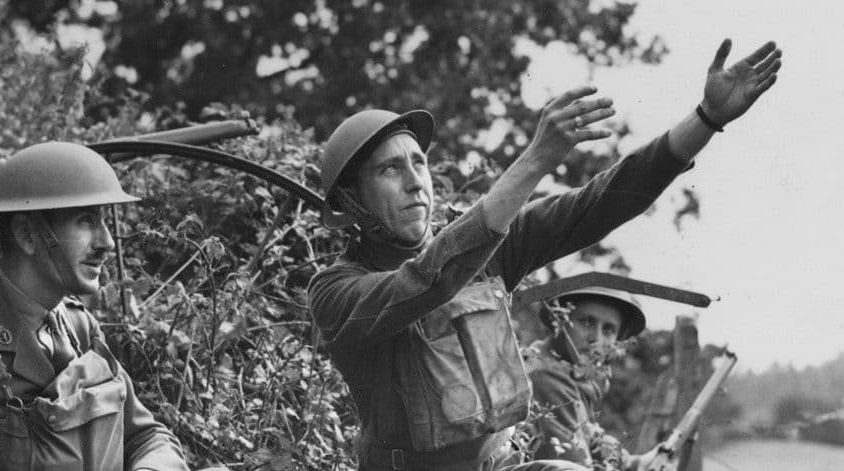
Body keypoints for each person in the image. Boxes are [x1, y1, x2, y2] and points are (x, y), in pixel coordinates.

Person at [307, 38, 783, 471]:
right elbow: (429, 279)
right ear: (351, 201)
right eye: (390, 169)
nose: (415, 181)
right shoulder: (335, 290)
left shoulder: (491, 246)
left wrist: (705, 119)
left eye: (419, 163)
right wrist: (535, 159)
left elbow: (603, 199)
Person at [0, 141, 191, 471]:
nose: (106, 242)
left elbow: (146, 437)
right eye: (87, 221)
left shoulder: (80, 328)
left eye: (104, 221)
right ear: (26, 234)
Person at [522, 283, 660, 469]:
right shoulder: (544, 375)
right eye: (586, 322)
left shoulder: (573, 376)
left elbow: (595, 442)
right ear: (559, 322)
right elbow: (574, 464)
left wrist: (641, 463)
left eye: (609, 330)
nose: (596, 338)